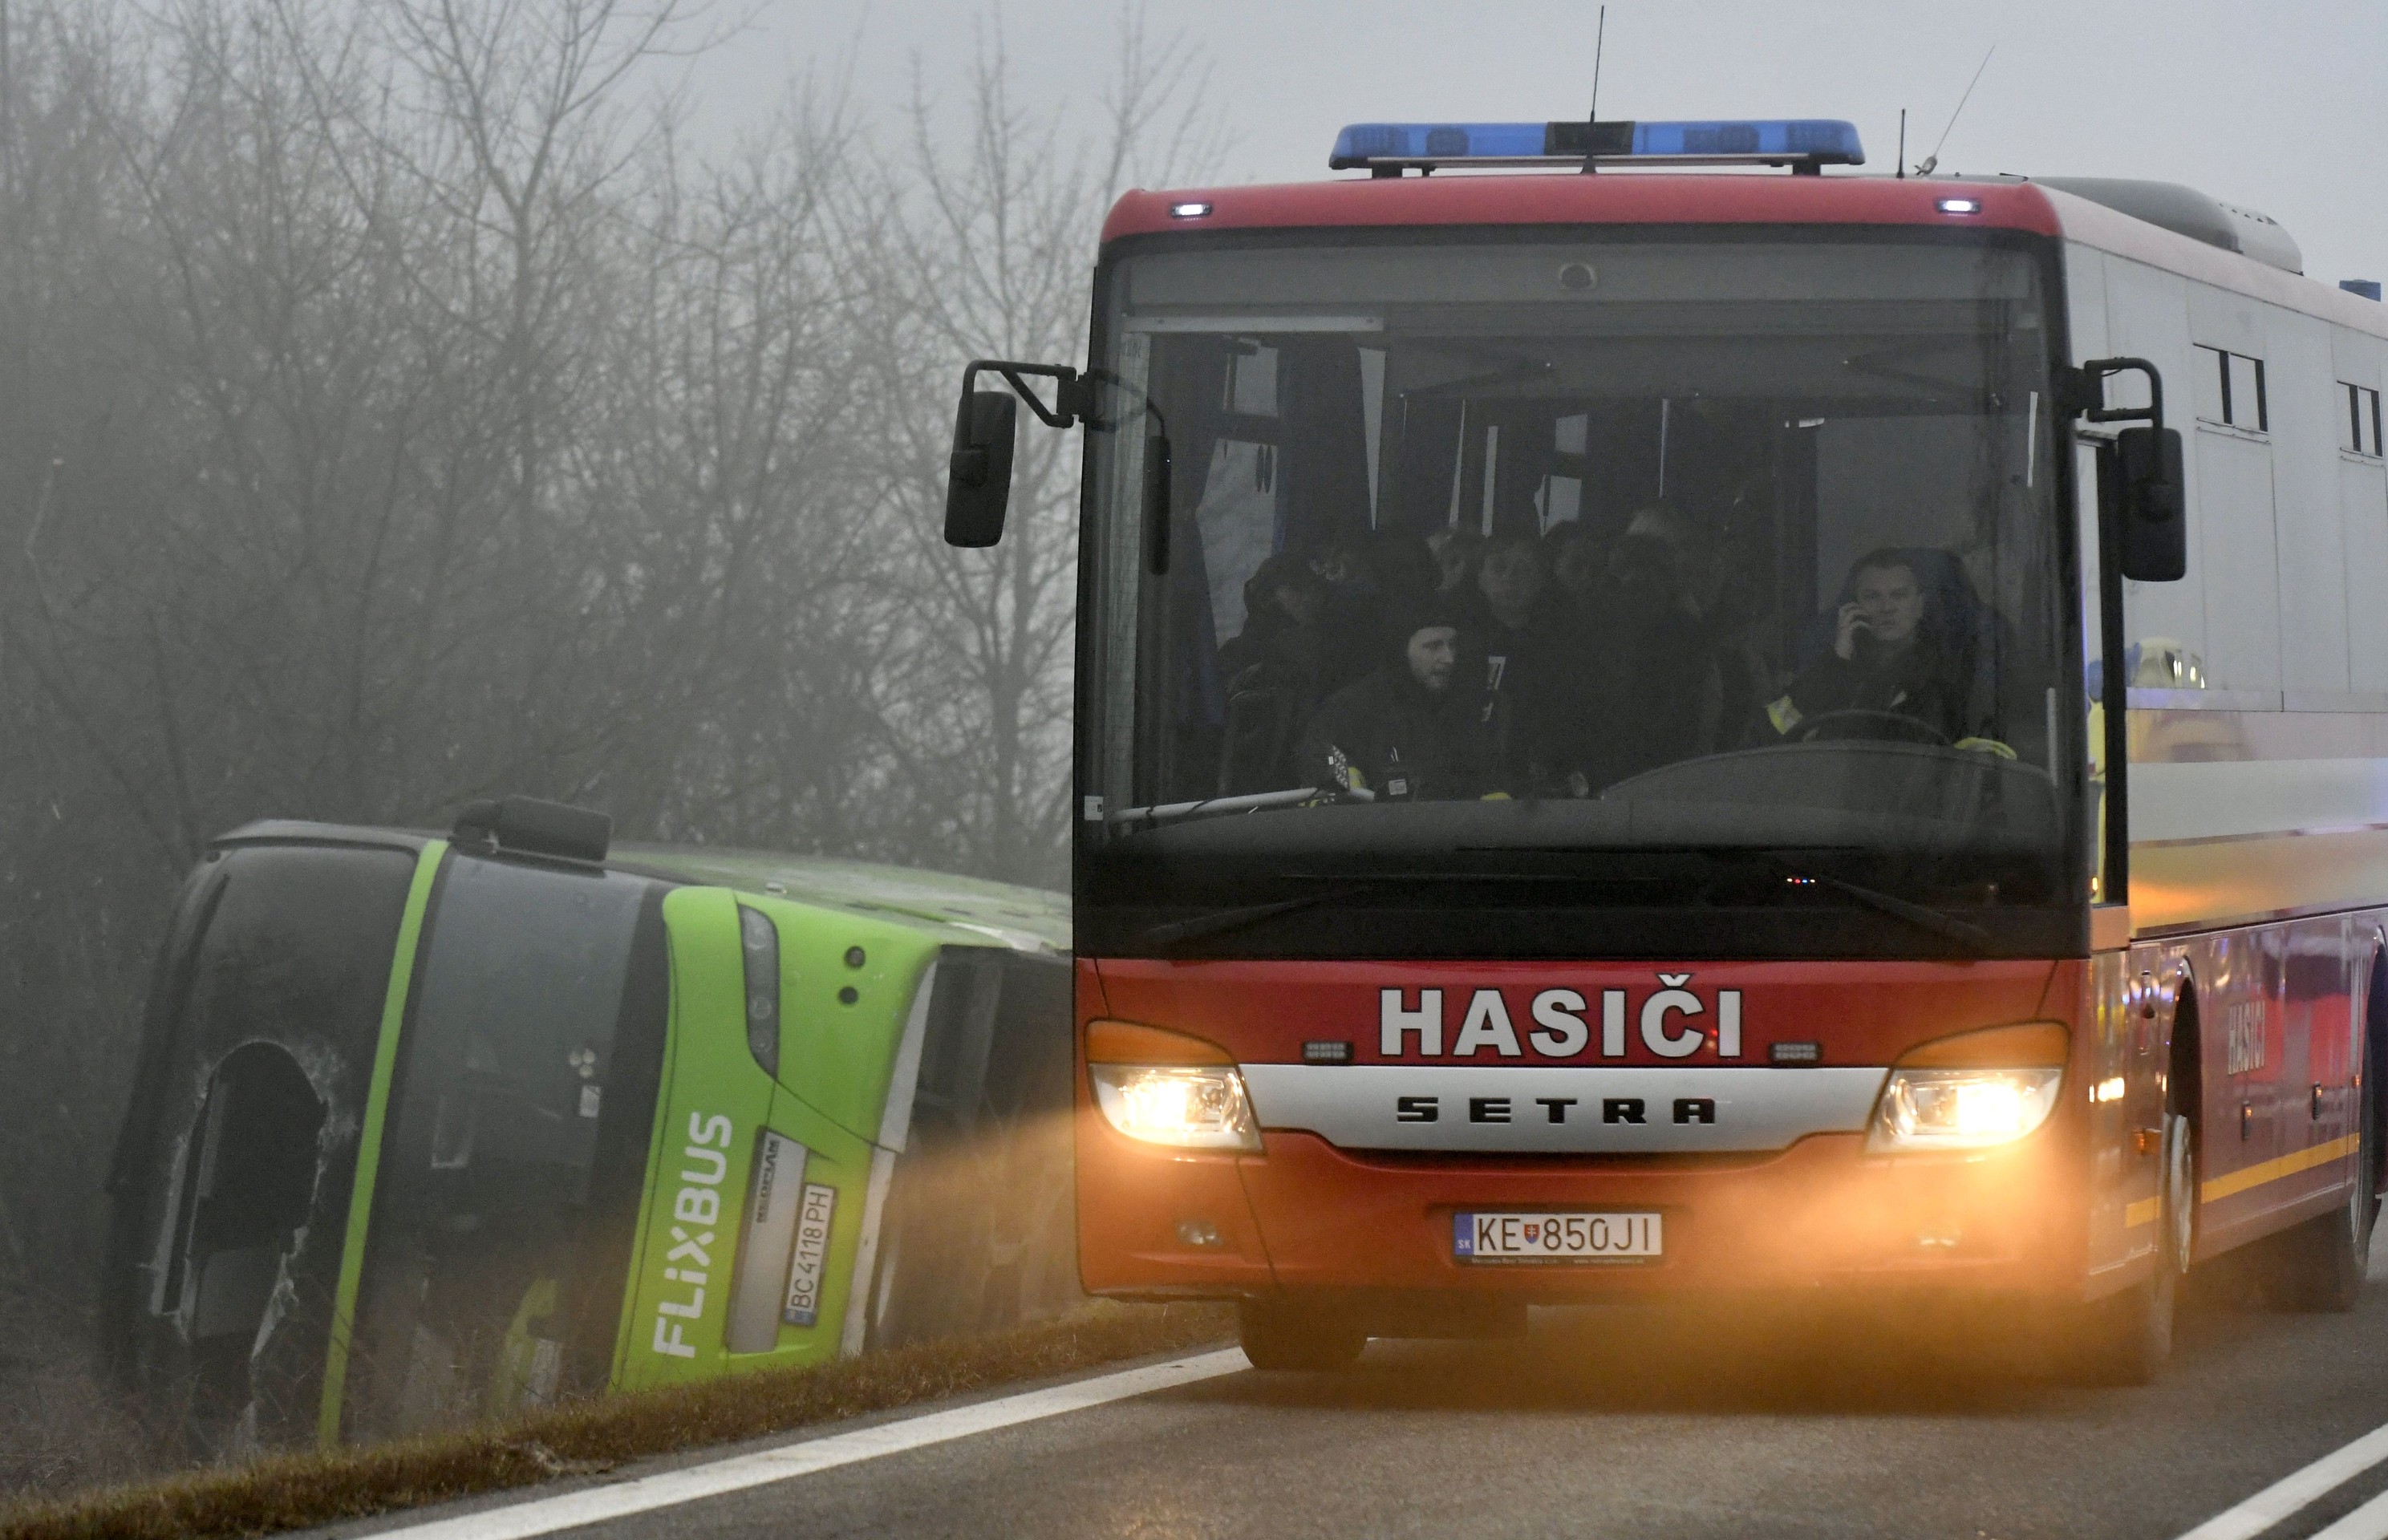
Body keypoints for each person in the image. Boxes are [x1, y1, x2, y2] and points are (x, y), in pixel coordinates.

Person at [1766, 549, 1972, 743]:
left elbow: (1976, 764)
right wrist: (1835, 662)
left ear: (1920, 606)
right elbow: (1764, 740)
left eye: (1898, 595)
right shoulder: (1831, 674)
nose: (1886, 608)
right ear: (1854, 607)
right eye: (1872, 597)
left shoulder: (1953, 676)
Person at [1295, 607, 1480, 800]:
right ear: (1403, 651)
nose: (1449, 658)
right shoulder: (1356, 705)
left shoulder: (1468, 702)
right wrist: (1343, 775)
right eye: (1433, 647)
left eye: (1453, 645)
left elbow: (1487, 767)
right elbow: (1321, 751)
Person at [1470, 535, 1560, 790]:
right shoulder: (1460, 643)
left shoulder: (1558, 647)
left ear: (1542, 580)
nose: (1510, 577)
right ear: (1479, 576)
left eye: (1523, 569)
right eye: (1499, 567)